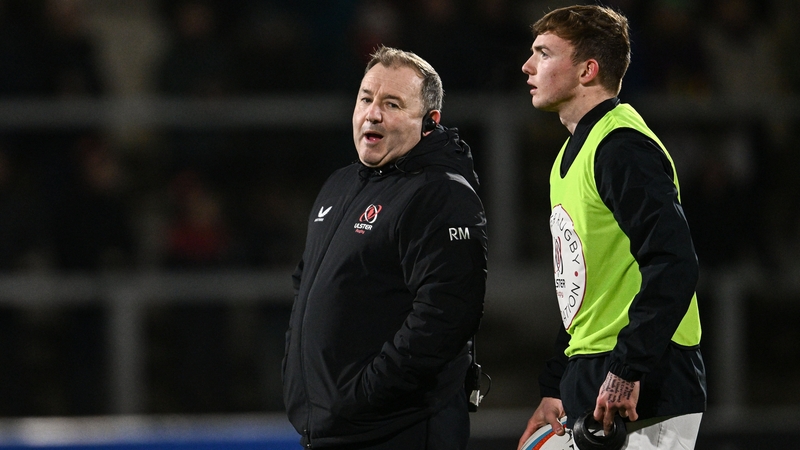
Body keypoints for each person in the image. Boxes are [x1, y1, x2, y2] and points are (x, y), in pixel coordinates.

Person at [517, 5, 707, 450]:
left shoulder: (621, 148)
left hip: (647, 379)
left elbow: (675, 264)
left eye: (543, 54)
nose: (527, 66)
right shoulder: (571, 156)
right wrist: (556, 383)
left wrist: (628, 369)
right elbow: (583, 290)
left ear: (587, 70)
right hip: (599, 370)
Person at [283, 45, 488, 449]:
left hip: (399, 430)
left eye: (392, 104)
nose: (372, 113)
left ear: (430, 123)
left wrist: (364, 395)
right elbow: (304, 288)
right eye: (365, 98)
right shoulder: (340, 185)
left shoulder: (441, 194)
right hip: (337, 430)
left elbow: (444, 318)